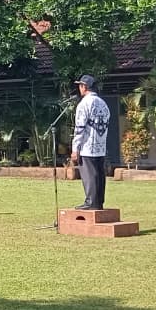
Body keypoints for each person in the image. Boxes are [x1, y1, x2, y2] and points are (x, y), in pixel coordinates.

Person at [70, 74, 111, 210]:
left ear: (84, 87)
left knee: (89, 175)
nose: (79, 88)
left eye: (80, 86)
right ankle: (99, 202)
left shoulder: (84, 104)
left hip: (87, 146)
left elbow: (79, 128)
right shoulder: (103, 103)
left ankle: (91, 202)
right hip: (101, 146)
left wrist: (75, 148)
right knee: (99, 175)